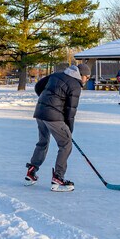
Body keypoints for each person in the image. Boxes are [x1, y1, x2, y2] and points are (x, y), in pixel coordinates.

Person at [25, 63, 91, 192]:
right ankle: (58, 178)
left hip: (40, 111)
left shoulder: (58, 74)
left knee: (43, 142)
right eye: (87, 77)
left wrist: (46, 100)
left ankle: (31, 171)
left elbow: (38, 86)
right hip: (53, 116)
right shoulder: (75, 85)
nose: (87, 80)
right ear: (81, 75)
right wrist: (69, 130)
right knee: (65, 144)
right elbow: (71, 110)